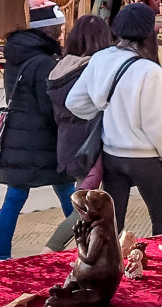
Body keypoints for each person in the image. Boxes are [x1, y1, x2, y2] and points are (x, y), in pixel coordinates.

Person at [66, 3, 162, 236]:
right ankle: (160, 268)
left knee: (112, 225)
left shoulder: (100, 58)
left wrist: (102, 106)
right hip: (143, 158)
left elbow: (74, 102)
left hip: (110, 155)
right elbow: (155, 126)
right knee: (160, 220)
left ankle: (113, 267)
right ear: (149, 31)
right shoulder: (149, 70)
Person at [0, 0, 76, 261]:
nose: (62, 34)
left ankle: (1, 257)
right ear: (48, 30)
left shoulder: (16, 56)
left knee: (14, 198)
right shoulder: (43, 62)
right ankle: (84, 247)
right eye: (59, 29)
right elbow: (47, 106)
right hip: (43, 140)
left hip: (18, 137)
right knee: (68, 194)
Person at [41, 15, 114, 254]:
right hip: (89, 144)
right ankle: (50, 249)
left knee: (86, 202)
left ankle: (94, 252)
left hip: (68, 143)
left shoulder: (59, 67)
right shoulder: (91, 68)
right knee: (87, 209)